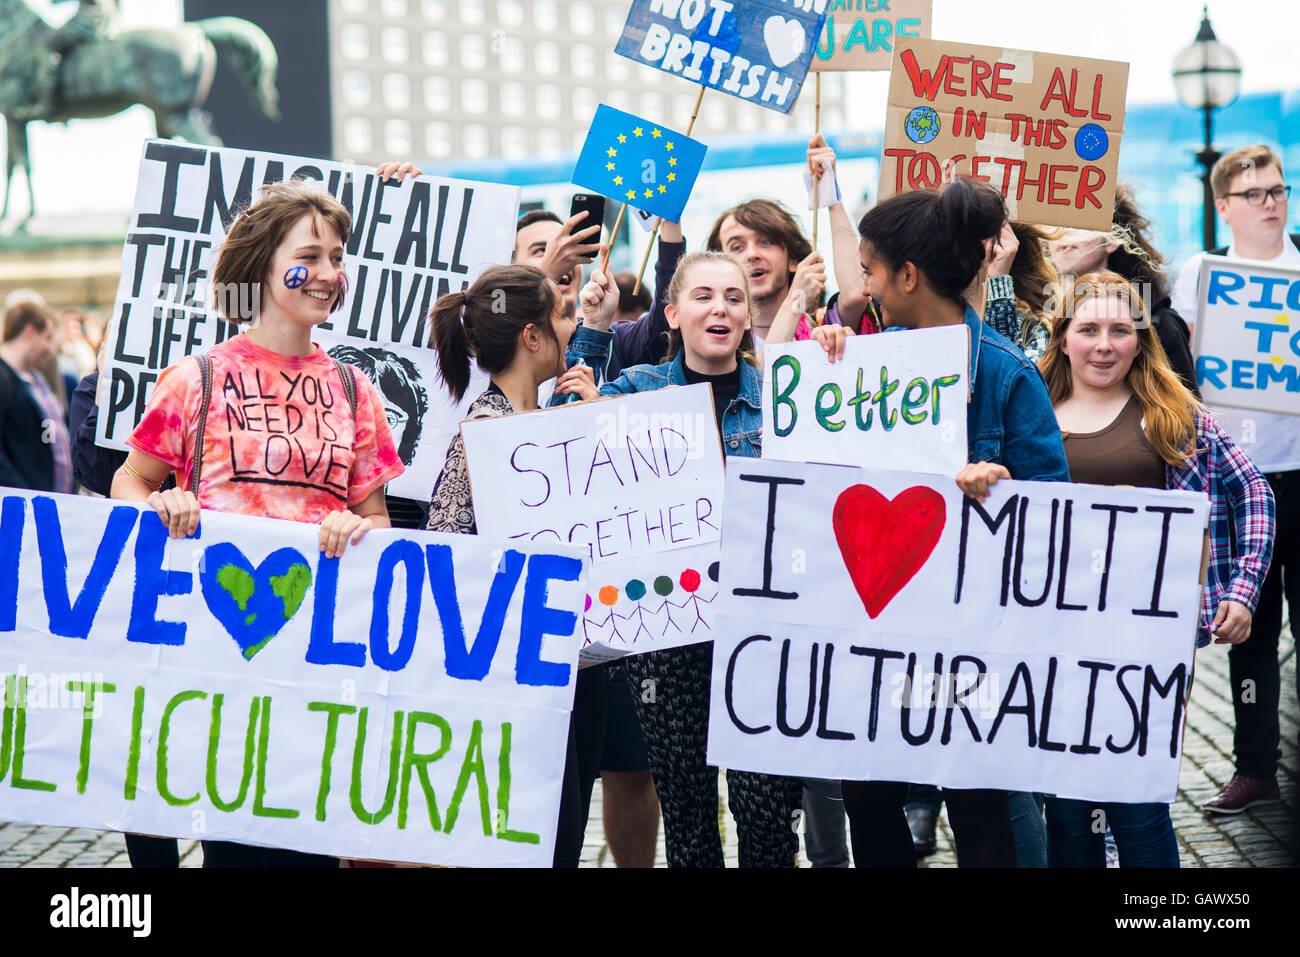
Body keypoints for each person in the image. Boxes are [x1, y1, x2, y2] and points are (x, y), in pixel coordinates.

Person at [111, 178, 405, 868]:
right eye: (313, 255)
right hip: (216, 663)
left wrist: (359, 528)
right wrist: (156, 507)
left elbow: (377, 516)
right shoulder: (196, 377)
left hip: (316, 670)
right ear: (263, 266)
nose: (332, 273)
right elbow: (131, 479)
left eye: (339, 256)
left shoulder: (356, 390)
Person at [574, 250, 850, 867]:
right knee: (690, 820)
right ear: (672, 314)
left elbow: (846, 441)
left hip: (761, 632)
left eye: (733, 296)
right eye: (702, 296)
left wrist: (837, 351)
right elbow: (560, 417)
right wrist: (591, 328)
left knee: (768, 821)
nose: (719, 307)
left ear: (749, 315)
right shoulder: (636, 392)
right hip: (669, 639)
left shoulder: (785, 393)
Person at [843, 178, 1071, 868]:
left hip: (974, 638)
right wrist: (825, 357)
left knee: (978, 805)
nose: (865, 287)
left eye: (870, 271)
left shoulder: (1004, 374)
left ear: (907, 275)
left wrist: (994, 495)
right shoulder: (854, 364)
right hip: (873, 633)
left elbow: (1053, 508)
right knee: (870, 801)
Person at [1032, 270, 1275, 866]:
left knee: (1137, 805)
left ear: (1141, 338)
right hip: (1048, 642)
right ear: (1063, 336)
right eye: (1088, 329)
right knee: (1064, 808)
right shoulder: (1028, 410)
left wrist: (1242, 591)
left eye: (1121, 329)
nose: (1105, 344)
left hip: (1142, 646)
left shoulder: (1173, 416)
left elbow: (1256, 495)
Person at [422, 262, 603, 868]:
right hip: (519, 678)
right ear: (531, 336)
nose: (574, 327)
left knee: (567, 838)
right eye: (563, 316)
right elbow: (446, 553)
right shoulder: (488, 433)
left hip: (576, 665)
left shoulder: (541, 425)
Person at [1171, 144, 1299, 815]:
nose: (1271, 202)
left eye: (1277, 190)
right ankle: (1255, 768)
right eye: (1254, 193)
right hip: (1241, 480)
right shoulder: (1200, 274)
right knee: (1248, 626)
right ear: (1223, 207)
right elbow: (1175, 361)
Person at [1048, 183, 1198, 392]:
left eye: (1081, 223)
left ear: (1111, 240)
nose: (1065, 235)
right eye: (1053, 222)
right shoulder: (1032, 319)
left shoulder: (1158, 323)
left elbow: (1188, 415)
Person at [0, 298, 73, 493]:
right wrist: (23, 497)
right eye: (48, 338)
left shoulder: (34, 378)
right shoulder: (4, 378)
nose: (51, 348)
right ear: (29, 332)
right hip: (23, 508)